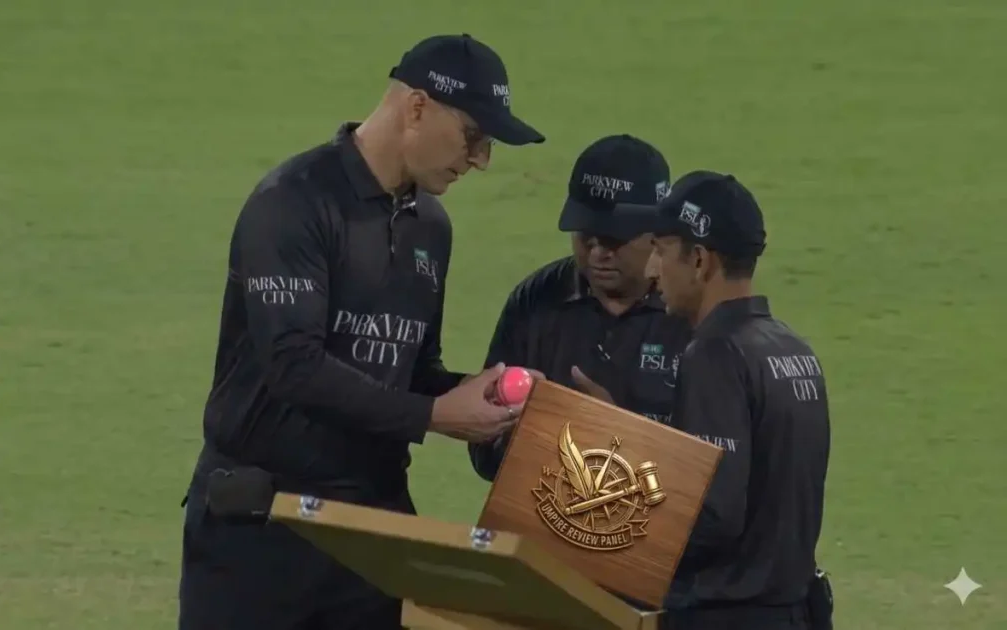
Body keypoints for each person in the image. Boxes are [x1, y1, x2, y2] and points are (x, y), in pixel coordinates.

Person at [176, 34, 545, 630]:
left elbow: (412, 369)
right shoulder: (292, 203)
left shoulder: (431, 228)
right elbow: (293, 364)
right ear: (418, 107)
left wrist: (477, 396)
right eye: (474, 137)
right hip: (261, 529)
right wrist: (432, 415)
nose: (481, 160)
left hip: (371, 533)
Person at [578, 170, 834, 629]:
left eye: (660, 250)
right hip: (793, 612)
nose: (653, 270)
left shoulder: (714, 354)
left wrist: (600, 531)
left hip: (724, 616)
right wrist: (631, 433)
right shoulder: (794, 350)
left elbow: (712, 514)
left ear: (699, 260)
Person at [468, 134, 694, 482]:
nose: (597, 253)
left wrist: (610, 431)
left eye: (615, 238)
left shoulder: (690, 314)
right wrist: (523, 432)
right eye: (586, 235)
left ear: (657, 232)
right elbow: (484, 454)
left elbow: (709, 482)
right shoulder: (536, 300)